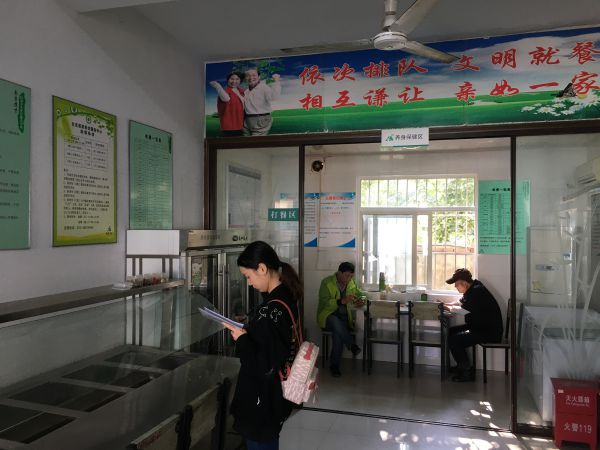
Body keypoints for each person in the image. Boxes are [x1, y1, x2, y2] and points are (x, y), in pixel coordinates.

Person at [223, 240, 302, 450]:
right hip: (273, 398)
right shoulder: (284, 296)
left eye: (248, 276)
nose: (249, 283)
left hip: (263, 400)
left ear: (262, 269)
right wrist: (250, 326)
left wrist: (242, 338)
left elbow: (263, 365)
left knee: (261, 444)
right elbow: (272, 342)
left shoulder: (273, 309)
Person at [444, 268, 503, 382]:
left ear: (464, 283)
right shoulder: (473, 288)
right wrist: (446, 304)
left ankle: (466, 372)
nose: (455, 287)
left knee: (455, 340)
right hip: (479, 326)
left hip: (488, 332)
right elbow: (461, 302)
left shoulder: (477, 292)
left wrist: (448, 308)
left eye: (456, 284)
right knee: (451, 332)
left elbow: (463, 310)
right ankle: (461, 365)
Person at [316, 262, 365, 378]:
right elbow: (324, 303)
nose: (349, 279)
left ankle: (334, 366)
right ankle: (351, 344)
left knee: (338, 331)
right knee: (334, 320)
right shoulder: (326, 283)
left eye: (351, 276)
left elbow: (361, 294)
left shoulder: (351, 283)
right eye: (347, 276)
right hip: (327, 317)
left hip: (344, 319)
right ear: (339, 273)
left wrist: (361, 300)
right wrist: (340, 301)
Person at [243, 68, 281, 136]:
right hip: (247, 120)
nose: (251, 77)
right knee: (246, 140)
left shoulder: (264, 88)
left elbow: (274, 97)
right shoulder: (246, 91)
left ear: (259, 77)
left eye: (254, 75)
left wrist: (276, 81)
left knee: (256, 141)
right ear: (245, 78)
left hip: (261, 118)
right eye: (248, 76)